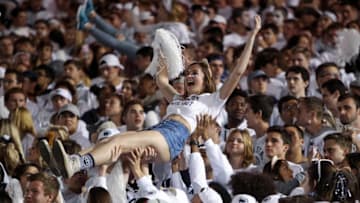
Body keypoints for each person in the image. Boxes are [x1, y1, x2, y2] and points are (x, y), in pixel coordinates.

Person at [44, 15, 262, 178]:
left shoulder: (213, 100)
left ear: (207, 80)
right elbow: (161, 80)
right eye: (187, 73)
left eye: (195, 73)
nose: (188, 76)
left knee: (119, 140)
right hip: (159, 132)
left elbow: (238, 72)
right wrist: (162, 50)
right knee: (110, 141)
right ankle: (63, 164)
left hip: (174, 136)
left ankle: (75, 165)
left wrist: (252, 36)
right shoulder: (178, 98)